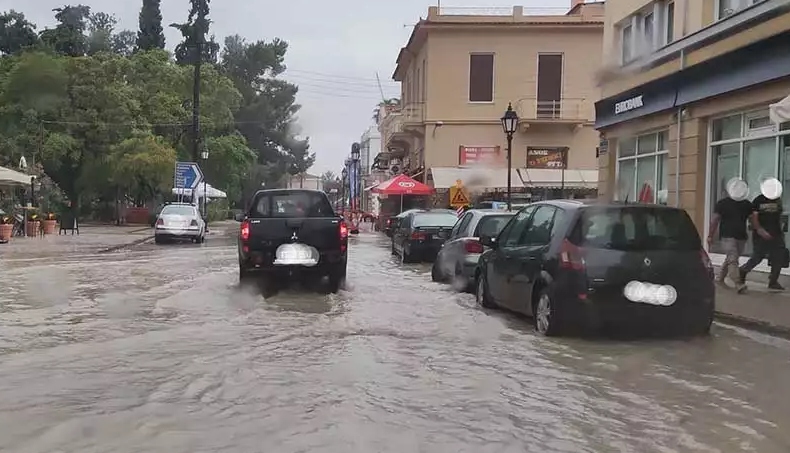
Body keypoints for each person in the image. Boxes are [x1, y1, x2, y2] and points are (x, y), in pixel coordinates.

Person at [740, 187, 785, 291]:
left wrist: (781, 232)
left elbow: (779, 216)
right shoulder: (758, 200)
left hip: (776, 234)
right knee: (758, 257)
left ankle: (773, 281)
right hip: (760, 235)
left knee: (778, 257)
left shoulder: (777, 200)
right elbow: (753, 218)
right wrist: (760, 230)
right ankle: (743, 270)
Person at [708, 187, 752, 293]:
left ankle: (719, 278)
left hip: (741, 236)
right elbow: (715, 220)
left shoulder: (747, 204)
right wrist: (710, 235)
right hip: (728, 236)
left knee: (731, 258)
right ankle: (738, 284)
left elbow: (752, 219)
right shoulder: (723, 204)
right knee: (733, 259)